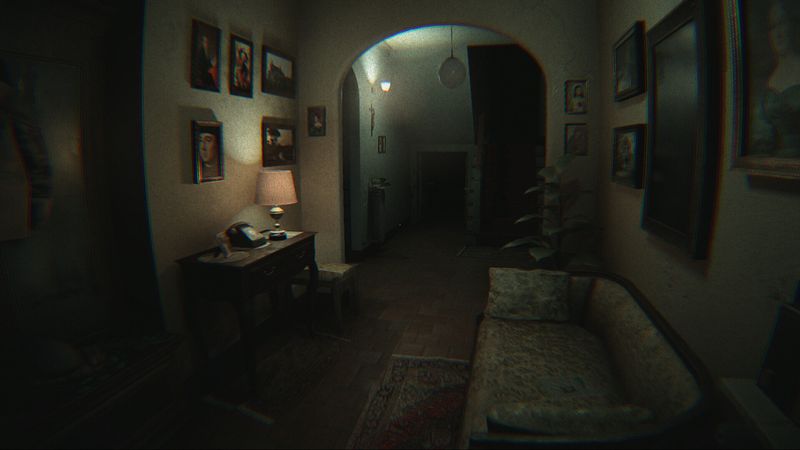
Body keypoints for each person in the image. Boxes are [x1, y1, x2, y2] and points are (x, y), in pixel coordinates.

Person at [751, 0, 800, 157]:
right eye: (773, 27)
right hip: (774, 163)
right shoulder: (766, 82)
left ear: (793, 25)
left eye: (782, 23)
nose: (778, 33)